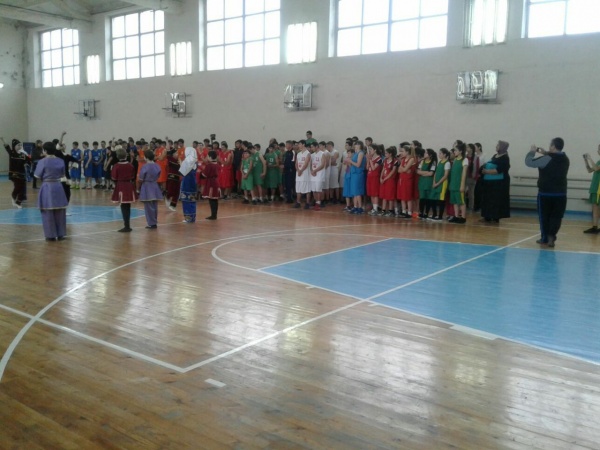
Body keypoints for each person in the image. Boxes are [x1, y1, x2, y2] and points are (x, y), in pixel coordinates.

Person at [525, 138, 570, 248]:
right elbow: (554, 158)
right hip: (561, 194)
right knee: (556, 217)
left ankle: (544, 238)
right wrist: (546, 152)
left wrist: (532, 152)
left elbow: (529, 162)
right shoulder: (566, 159)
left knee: (544, 217)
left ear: (553, 146)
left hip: (545, 193)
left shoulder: (545, 159)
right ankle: (552, 236)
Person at [34, 142, 69, 241]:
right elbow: (62, 174)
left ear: (45, 150)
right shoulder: (61, 161)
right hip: (58, 186)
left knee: (47, 211)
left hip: (47, 187)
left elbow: (37, 175)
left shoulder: (42, 161)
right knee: (60, 211)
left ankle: (51, 235)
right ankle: (61, 234)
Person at [480, 140, 511, 223]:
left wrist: (486, 171)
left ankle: (495, 216)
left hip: (499, 183)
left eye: (498, 145)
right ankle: (487, 216)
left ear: (502, 147)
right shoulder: (495, 156)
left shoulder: (505, 158)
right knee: (488, 199)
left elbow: (499, 170)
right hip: (489, 182)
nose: (496, 147)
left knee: (496, 200)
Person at [111, 147, 137, 232]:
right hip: (129, 185)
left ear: (117, 156)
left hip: (121, 186)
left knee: (123, 206)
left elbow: (114, 177)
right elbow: (133, 176)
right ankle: (127, 225)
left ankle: (126, 226)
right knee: (127, 206)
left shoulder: (116, 166)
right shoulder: (130, 165)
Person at [137, 149, 163, 229]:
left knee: (148, 206)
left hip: (147, 186)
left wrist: (139, 184)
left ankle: (151, 223)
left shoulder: (145, 166)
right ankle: (154, 221)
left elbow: (141, 178)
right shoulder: (157, 165)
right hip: (154, 185)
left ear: (146, 157)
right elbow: (158, 175)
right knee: (155, 205)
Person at [1, 137, 29, 208]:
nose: (19, 146)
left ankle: (18, 202)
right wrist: (3, 140)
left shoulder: (23, 154)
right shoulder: (12, 153)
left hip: (21, 173)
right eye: (18, 145)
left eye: (20, 145)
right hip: (14, 174)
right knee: (18, 186)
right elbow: (7, 146)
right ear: (14, 146)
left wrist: (26, 162)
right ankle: (13, 195)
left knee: (22, 189)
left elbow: (28, 160)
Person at [583, 145, 600, 234]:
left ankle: (595, 227)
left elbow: (596, 168)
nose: (598, 151)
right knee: (595, 207)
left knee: (596, 207)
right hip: (595, 188)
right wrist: (586, 161)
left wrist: (590, 158)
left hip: (599, 189)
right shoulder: (598, 161)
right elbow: (590, 170)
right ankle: (594, 227)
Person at [179, 147, 198, 223]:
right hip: (193, 182)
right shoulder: (195, 161)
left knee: (186, 200)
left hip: (186, 182)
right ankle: (192, 217)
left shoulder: (187, 161)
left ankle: (188, 218)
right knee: (192, 200)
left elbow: (182, 172)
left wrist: (180, 162)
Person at [202, 150, 221, 220]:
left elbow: (204, 175)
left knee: (211, 199)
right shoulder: (217, 164)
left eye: (207, 156)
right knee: (215, 199)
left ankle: (213, 215)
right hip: (216, 182)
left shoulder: (209, 165)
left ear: (210, 157)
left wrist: (200, 173)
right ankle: (214, 214)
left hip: (211, 183)